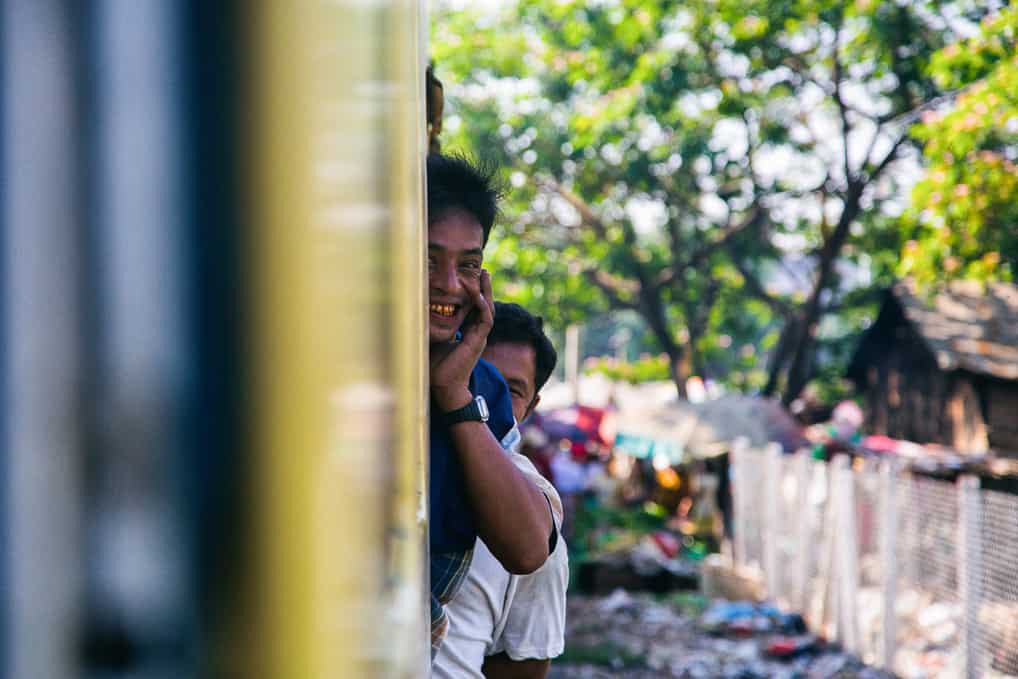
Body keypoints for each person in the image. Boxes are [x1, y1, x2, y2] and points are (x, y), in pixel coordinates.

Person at [427, 155, 554, 654]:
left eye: (468, 265)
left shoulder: (483, 388)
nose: (449, 285)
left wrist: (454, 395)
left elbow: (526, 550)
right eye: (428, 260)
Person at [434, 302, 568, 679]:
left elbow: (523, 666)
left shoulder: (535, 514)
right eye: (478, 376)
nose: (486, 400)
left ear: (531, 407)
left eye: (511, 390)